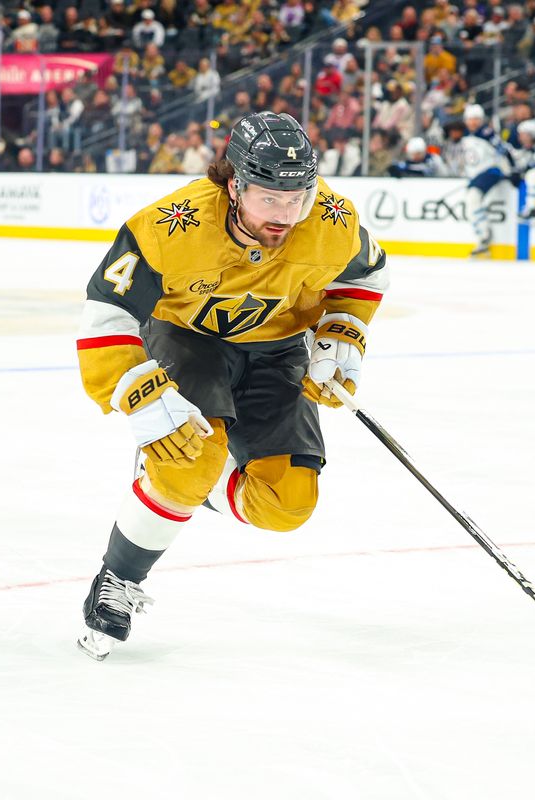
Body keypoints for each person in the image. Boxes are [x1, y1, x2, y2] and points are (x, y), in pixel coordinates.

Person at [73, 111, 388, 660]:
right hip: (188, 337)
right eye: (270, 197)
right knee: (184, 460)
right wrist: (134, 391)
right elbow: (107, 312)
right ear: (235, 183)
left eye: (298, 197)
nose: (287, 214)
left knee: (287, 504)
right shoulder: (173, 225)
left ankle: (192, 481)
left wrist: (342, 331)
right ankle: (118, 578)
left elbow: (363, 275)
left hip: (278, 348)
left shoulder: (332, 219)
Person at [460, 103, 510, 257]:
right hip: (478, 174)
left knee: (473, 197)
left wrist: (511, 170)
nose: (473, 122)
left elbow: (504, 151)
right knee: (471, 201)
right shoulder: (467, 136)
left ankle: (484, 235)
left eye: (476, 119)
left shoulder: (487, 133)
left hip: (491, 171)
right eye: (470, 119)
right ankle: (482, 234)